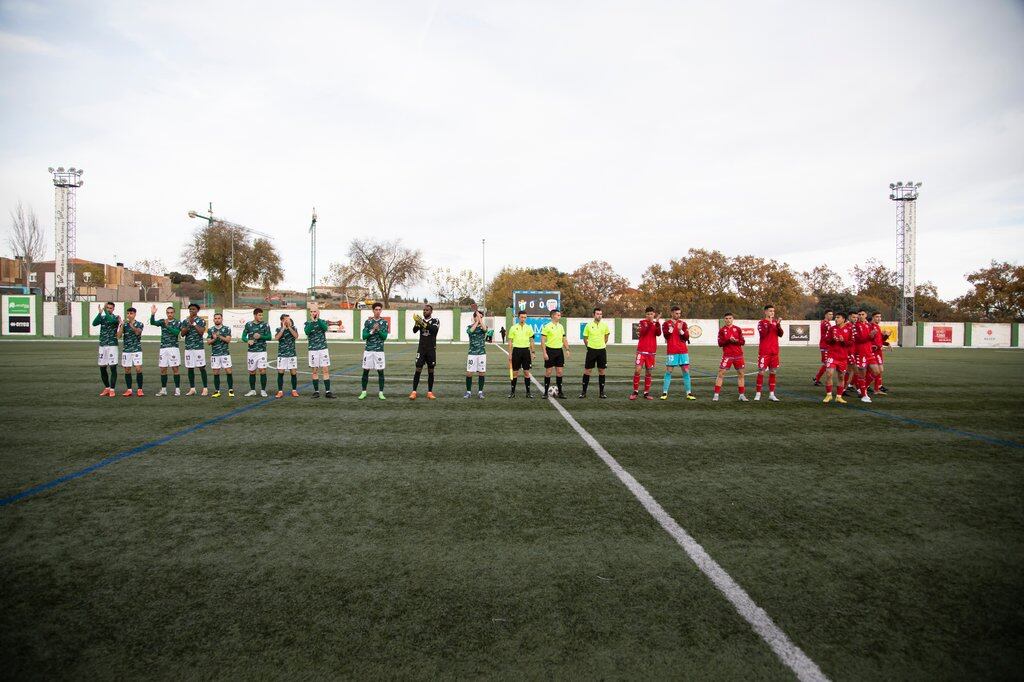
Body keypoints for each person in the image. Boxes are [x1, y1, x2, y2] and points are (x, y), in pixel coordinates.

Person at [305, 304, 342, 399]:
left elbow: (325, 328)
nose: (313, 313)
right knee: (314, 371)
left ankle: (328, 391)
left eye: (315, 311)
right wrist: (313, 322)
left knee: (325, 370)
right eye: (312, 312)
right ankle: (316, 391)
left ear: (318, 312)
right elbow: (307, 332)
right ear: (310, 313)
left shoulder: (323, 322)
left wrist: (317, 320)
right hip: (313, 350)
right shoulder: (307, 323)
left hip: (323, 349)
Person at [661, 306, 695, 400]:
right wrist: (671, 328)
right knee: (669, 371)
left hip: (683, 351)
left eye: (679, 313)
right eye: (676, 313)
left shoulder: (683, 324)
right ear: (672, 313)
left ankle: (689, 393)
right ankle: (664, 392)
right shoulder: (666, 324)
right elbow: (666, 335)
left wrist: (680, 330)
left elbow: (687, 337)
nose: (678, 315)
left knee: (686, 371)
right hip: (672, 350)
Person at [409, 303, 441, 400]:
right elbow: (414, 330)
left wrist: (423, 323)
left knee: (431, 371)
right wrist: (417, 322)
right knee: (418, 369)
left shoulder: (435, 320)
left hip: (431, 349)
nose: (425, 311)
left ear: (431, 311)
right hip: (421, 349)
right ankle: (414, 392)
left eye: (427, 310)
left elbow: (434, 330)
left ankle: (429, 392)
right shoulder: (420, 320)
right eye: (424, 310)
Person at [714, 313, 747, 401]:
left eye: (730, 318)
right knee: (721, 373)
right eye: (726, 318)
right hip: (727, 355)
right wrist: (728, 340)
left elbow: (743, 342)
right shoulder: (722, 330)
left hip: (738, 355)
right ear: (724, 320)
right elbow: (720, 344)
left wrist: (736, 341)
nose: (728, 320)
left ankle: (741, 395)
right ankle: (716, 395)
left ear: (733, 319)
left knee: (741, 374)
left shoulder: (738, 329)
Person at [630, 306, 661, 401]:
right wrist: (652, 323)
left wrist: (657, 323)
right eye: (648, 314)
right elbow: (643, 332)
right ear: (645, 315)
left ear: (654, 314)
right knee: (637, 370)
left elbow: (658, 333)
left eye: (651, 314)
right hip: (641, 351)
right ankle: (635, 392)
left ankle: (646, 393)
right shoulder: (642, 323)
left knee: (649, 372)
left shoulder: (656, 323)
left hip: (651, 353)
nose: (649, 316)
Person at [150, 304, 182, 396]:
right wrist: (152, 314)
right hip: (163, 348)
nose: (170, 314)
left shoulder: (177, 322)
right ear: (166, 313)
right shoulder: (162, 321)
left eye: (171, 313)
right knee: (163, 369)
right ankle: (164, 390)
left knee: (175, 368)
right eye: (168, 313)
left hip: (173, 348)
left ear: (174, 313)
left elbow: (176, 333)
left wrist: (167, 326)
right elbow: (153, 323)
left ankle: (177, 389)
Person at [579, 307, 610, 399]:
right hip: (591, 350)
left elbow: (606, 336)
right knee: (587, 371)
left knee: (601, 371)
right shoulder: (588, 325)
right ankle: (583, 392)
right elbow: (585, 338)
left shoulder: (605, 325)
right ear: (593, 315)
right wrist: (589, 346)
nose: (599, 315)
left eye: (600, 314)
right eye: (597, 314)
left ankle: (601, 392)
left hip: (602, 351)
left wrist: (601, 344)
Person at [754, 304, 783, 402]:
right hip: (764, 352)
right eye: (770, 311)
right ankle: (758, 393)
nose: (772, 313)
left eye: (773, 311)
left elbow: (781, 334)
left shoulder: (775, 322)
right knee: (761, 371)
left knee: (773, 372)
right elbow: (763, 334)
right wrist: (770, 324)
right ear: (765, 312)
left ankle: (772, 394)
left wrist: (778, 325)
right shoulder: (761, 323)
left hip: (774, 352)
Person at [359, 302, 388, 400]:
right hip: (368, 350)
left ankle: (381, 393)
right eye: (376, 309)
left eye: (380, 309)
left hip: (379, 351)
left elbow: (384, 337)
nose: (378, 311)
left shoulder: (384, 322)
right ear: (373, 310)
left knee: (380, 372)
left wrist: (378, 330)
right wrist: (372, 331)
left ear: (381, 310)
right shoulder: (368, 322)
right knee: (365, 371)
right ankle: (363, 392)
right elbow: (364, 336)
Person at [822, 312, 852, 403]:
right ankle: (829, 395)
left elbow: (851, 343)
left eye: (838, 317)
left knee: (841, 377)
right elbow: (826, 340)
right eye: (835, 317)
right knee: (829, 373)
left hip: (842, 357)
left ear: (843, 319)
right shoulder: (832, 329)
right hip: (832, 355)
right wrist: (832, 340)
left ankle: (839, 396)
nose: (836, 319)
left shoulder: (849, 330)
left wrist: (843, 341)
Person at [92, 301, 120, 397]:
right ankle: (107, 388)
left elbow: (112, 321)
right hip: (103, 345)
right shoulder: (103, 317)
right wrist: (100, 313)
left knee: (112, 367)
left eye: (110, 308)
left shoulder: (116, 318)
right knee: (102, 367)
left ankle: (112, 389)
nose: (108, 309)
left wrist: (105, 312)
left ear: (113, 309)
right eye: (107, 308)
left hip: (112, 345)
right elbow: (94, 323)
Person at [181, 303, 209, 396]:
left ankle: (205, 388)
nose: (191, 311)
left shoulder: (201, 320)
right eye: (190, 309)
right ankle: (192, 389)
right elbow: (182, 334)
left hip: (198, 348)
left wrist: (194, 324)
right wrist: (188, 325)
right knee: (190, 368)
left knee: (201, 368)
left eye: (193, 309)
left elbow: (201, 332)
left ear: (197, 310)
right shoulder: (185, 321)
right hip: (188, 348)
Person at [243, 308, 272, 397]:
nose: (261, 316)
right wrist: (247, 340)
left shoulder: (265, 325)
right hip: (251, 352)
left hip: (262, 351)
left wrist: (261, 336)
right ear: (255, 315)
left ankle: (263, 390)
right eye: (259, 315)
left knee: (262, 370)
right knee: (252, 371)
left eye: (262, 315)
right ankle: (252, 390)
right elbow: (243, 336)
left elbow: (269, 337)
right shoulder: (248, 324)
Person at [541, 309, 569, 399]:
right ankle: (545, 392)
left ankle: (560, 392)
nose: (559, 316)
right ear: (553, 316)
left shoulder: (561, 326)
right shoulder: (547, 326)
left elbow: (564, 339)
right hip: (550, 351)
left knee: (560, 372)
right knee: (548, 372)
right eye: (558, 315)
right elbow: (543, 340)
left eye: (560, 315)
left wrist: (567, 349)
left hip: (559, 351)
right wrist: (544, 353)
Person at [507, 310, 536, 398]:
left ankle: (528, 393)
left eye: (525, 317)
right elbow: (510, 342)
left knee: (526, 372)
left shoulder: (529, 328)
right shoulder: (513, 328)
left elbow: (531, 341)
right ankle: (512, 392)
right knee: (515, 372)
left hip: (526, 352)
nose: (523, 319)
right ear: (518, 317)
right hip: (516, 351)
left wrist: (533, 352)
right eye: (522, 317)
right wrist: (510, 353)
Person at [118, 307, 144, 397]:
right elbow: (118, 336)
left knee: (138, 369)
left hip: (136, 349)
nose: (129, 315)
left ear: (135, 314)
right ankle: (129, 390)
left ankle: (140, 389)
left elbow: (138, 332)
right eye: (128, 313)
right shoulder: (124, 325)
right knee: (127, 370)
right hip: (126, 350)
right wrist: (121, 325)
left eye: (131, 313)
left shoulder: (139, 324)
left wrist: (130, 325)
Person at [206, 312, 234, 397]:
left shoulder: (226, 329)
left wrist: (219, 336)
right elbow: (208, 342)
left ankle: (231, 390)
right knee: (216, 373)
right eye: (216, 318)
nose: (217, 320)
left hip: (225, 354)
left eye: (219, 318)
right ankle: (217, 391)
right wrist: (214, 339)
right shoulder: (211, 330)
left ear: (222, 319)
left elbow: (228, 340)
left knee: (228, 371)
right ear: (213, 320)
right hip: (215, 354)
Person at [274, 313, 300, 398]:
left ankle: (294, 390)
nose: (288, 320)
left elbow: (296, 336)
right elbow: (277, 338)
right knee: (280, 373)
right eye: (286, 319)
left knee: (293, 373)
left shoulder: (294, 328)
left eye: (289, 319)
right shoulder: (278, 329)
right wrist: (283, 329)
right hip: (282, 354)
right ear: (282, 320)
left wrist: (289, 327)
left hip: (292, 354)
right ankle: (280, 391)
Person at [851, 309, 874, 403]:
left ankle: (862, 388)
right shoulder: (855, 326)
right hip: (860, 352)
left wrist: (884, 337)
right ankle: (864, 395)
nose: (860, 316)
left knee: (876, 371)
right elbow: (859, 339)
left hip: (869, 351)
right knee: (862, 374)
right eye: (859, 314)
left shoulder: (868, 325)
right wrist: (870, 336)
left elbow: (871, 338)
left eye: (862, 314)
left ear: (866, 315)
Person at [465, 309, 487, 399]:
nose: (480, 319)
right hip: (472, 353)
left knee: (481, 373)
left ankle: (480, 392)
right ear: (474, 318)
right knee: (469, 373)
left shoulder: (483, 326)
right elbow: (470, 331)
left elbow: (485, 330)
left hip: (482, 353)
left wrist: (480, 320)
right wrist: (477, 320)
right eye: (478, 317)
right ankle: (468, 392)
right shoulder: (469, 326)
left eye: (482, 317)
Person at [867, 312, 890, 394]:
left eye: (880, 317)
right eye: (877, 317)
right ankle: (865, 386)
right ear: (873, 317)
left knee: (877, 371)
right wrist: (873, 346)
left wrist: (886, 336)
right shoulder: (870, 326)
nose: (879, 318)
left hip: (878, 351)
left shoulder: (877, 327)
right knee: (878, 370)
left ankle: (876, 389)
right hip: (874, 352)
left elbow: (880, 341)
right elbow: (868, 339)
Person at [812, 310, 834, 385]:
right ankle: (816, 378)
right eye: (829, 314)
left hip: (826, 345)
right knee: (827, 363)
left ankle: (816, 378)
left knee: (827, 363)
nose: (831, 316)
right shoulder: (826, 324)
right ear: (825, 315)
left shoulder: (826, 323)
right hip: (825, 346)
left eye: (832, 314)